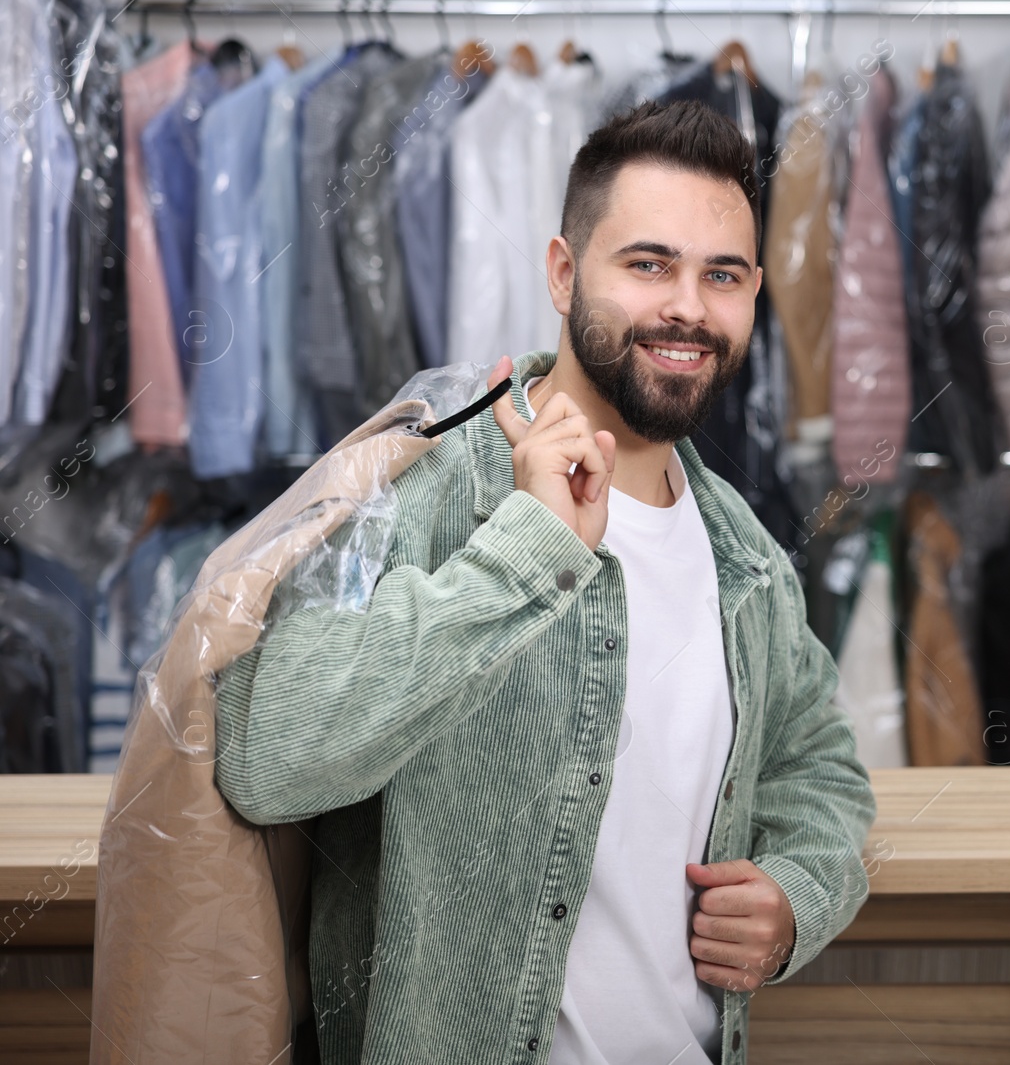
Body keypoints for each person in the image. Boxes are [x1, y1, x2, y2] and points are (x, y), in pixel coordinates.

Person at [213, 99, 877, 1065]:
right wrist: (523, 555)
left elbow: (821, 767)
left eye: (721, 275)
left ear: (755, 294)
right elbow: (265, 757)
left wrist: (798, 895)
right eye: (648, 264)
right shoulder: (421, 487)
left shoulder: (748, 559)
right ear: (565, 272)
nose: (687, 306)